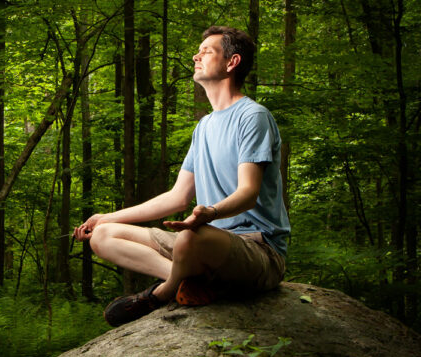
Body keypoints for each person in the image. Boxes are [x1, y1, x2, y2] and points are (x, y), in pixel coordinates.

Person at [73, 26, 290, 327]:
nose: (195, 56)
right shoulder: (203, 128)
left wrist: (209, 213)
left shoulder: (252, 117)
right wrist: (106, 217)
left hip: (257, 249)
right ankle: (191, 283)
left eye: (206, 51)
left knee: (190, 238)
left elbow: (248, 191)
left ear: (232, 62)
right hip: (202, 243)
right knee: (103, 236)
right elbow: (176, 197)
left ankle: (161, 293)